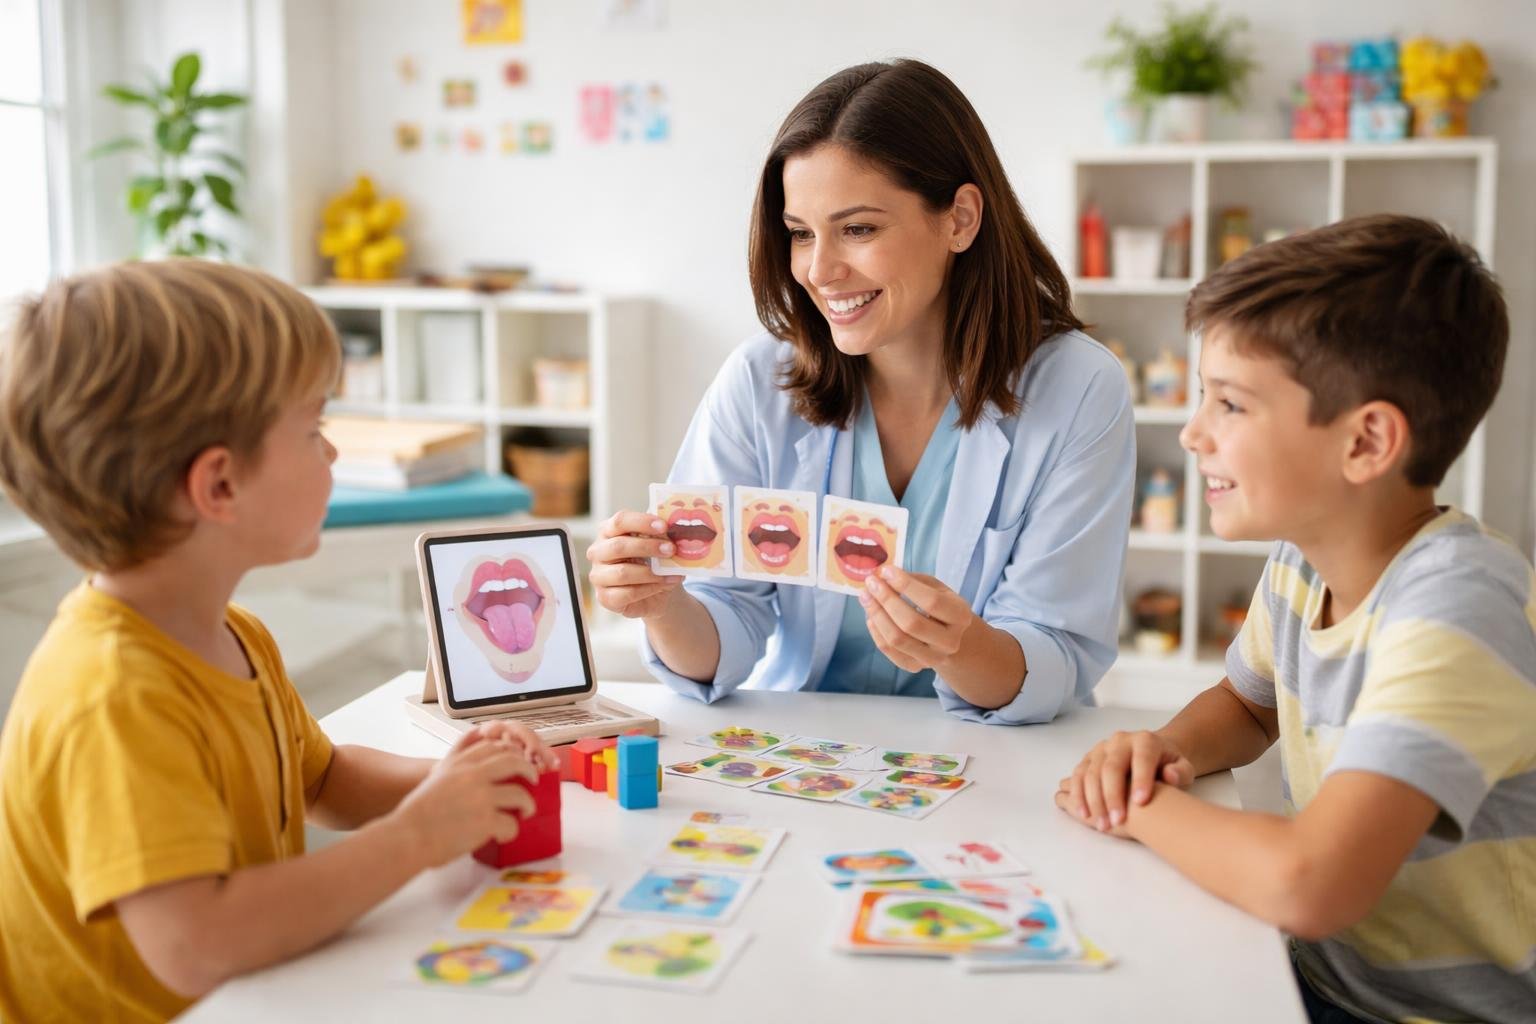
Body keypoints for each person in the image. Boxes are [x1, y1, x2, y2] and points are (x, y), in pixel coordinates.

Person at [0, 261, 560, 1023]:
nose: (331, 455)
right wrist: (418, 836)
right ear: (219, 486)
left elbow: (322, 782)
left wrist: (455, 780)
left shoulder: (231, 633)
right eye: (313, 429)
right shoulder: (112, 694)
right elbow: (197, 941)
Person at [1056, 215, 1534, 1023]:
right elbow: (1248, 706)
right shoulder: (1304, 560)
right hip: (1329, 980)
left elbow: (1309, 885)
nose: (1193, 431)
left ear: (1367, 442)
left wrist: (1137, 808)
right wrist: (1163, 752)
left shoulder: (1461, 606)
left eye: (1231, 404)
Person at [588, 59, 1134, 724]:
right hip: (808, 747)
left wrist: (960, 648)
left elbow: (1056, 658)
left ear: (960, 219)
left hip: (998, 756)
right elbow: (726, 629)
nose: (820, 271)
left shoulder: (1080, 389)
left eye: (859, 229)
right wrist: (662, 603)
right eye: (799, 234)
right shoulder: (759, 383)